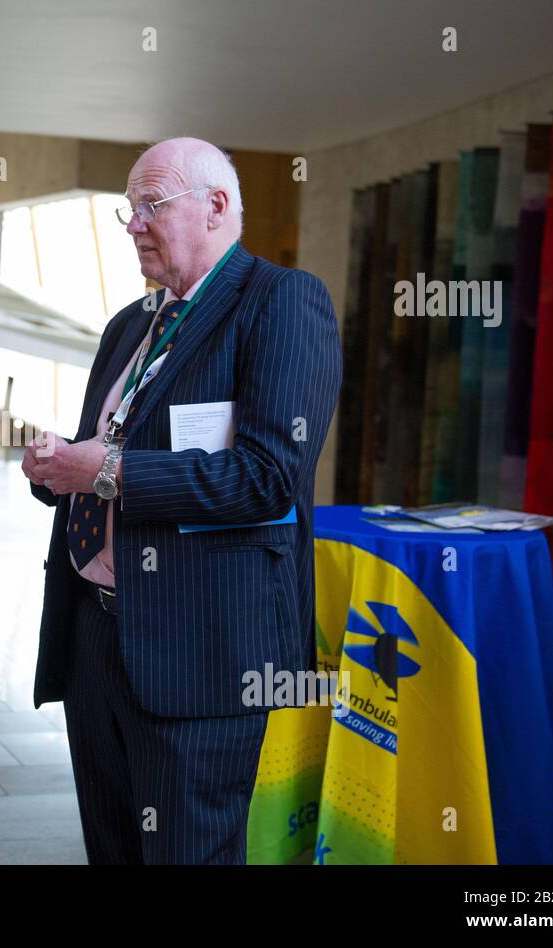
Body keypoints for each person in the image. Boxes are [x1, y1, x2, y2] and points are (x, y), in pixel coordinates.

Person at [23, 137, 342, 864]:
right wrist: (55, 472)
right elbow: (101, 449)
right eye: (127, 211)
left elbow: (267, 476)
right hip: (96, 639)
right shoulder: (131, 324)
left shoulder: (281, 302)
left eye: (151, 207)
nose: (134, 225)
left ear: (217, 207)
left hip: (199, 652)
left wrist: (104, 471)